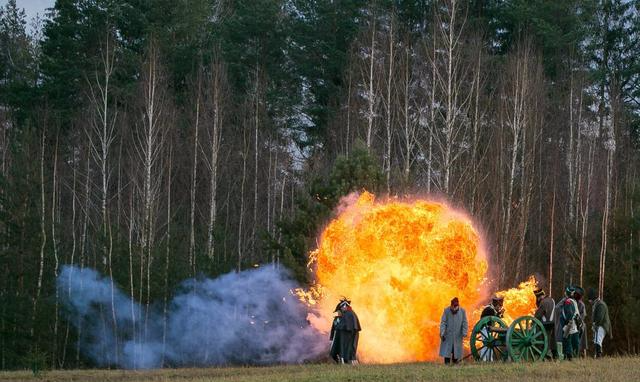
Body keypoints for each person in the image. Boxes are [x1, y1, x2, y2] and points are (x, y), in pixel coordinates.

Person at [439, 297, 468, 364]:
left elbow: (464, 322)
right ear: (451, 305)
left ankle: (455, 365)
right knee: (447, 352)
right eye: (453, 306)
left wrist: (464, 332)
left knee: (456, 352)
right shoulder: (446, 311)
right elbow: (443, 322)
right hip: (448, 335)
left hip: (457, 336)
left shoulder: (462, 311)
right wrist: (442, 333)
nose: (455, 307)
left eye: (456, 306)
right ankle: (447, 365)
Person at [334, 298, 361, 364]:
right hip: (350, 334)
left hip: (350, 335)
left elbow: (343, 326)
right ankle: (348, 361)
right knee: (350, 347)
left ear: (344, 306)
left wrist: (337, 326)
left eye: (341, 308)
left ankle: (350, 361)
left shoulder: (349, 314)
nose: (340, 311)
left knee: (349, 347)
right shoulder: (349, 313)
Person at [588, 288, 612, 358]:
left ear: (593, 298)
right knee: (596, 340)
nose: (589, 301)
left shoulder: (600, 305)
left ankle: (599, 355)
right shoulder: (597, 304)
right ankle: (597, 355)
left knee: (598, 340)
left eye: (589, 299)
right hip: (599, 325)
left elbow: (600, 317)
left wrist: (595, 325)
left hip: (602, 325)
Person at [533, 288, 556, 358]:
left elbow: (538, 315)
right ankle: (550, 353)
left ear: (539, 297)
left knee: (540, 338)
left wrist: (532, 321)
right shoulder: (552, 300)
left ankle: (543, 353)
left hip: (545, 323)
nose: (538, 299)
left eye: (538, 298)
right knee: (549, 338)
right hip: (552, 322)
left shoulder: (543, 302)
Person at [560, 286, 580, 360]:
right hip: (574, 323)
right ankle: (574, 355)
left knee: (567, 340)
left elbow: (569, 314)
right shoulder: (573, 301)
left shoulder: (568, 301)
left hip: (570, 323)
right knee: (574, 340)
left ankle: (569, 356)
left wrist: (567, 324)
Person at [573, 286, 587, 357]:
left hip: (580, 326)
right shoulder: (572, 302)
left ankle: (581, 354)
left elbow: (583, 315)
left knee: (581, 342)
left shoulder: (581, 305)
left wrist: (577, 322)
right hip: (573, 325)